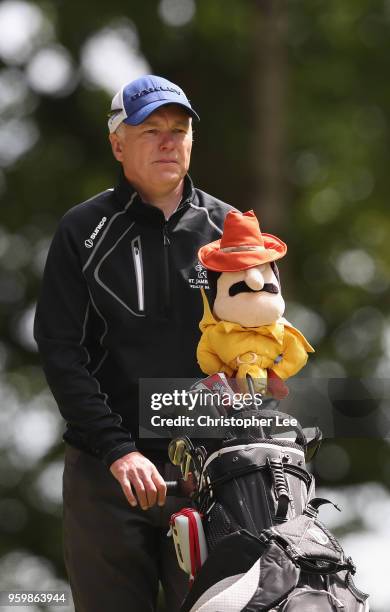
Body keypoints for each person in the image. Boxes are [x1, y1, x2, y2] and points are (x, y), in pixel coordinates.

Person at [33, 74, 234, 612]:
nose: (169, 142)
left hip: (207, 471)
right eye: (152, 131)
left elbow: (261, 340)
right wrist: (119, 452)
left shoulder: (232, 230)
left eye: (179, 130)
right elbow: (59, 351)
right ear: (118, 143)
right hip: (105, 474)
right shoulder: (82, 229)